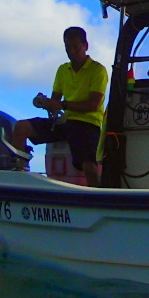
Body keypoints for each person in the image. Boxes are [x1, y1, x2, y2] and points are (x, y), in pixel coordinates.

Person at [8, 26, 109, 187]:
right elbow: (55, 103)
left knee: (89, 167)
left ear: (86, 46)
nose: (71, 51)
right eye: (67, 47)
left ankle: (96, 199)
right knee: (21, 127)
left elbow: (93, 104)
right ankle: (17, 180)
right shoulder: (62, 70)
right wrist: (45, 102)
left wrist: (62, 104)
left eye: (76, 47)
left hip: (88, 124)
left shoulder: (98, 70)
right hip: (63, 122)